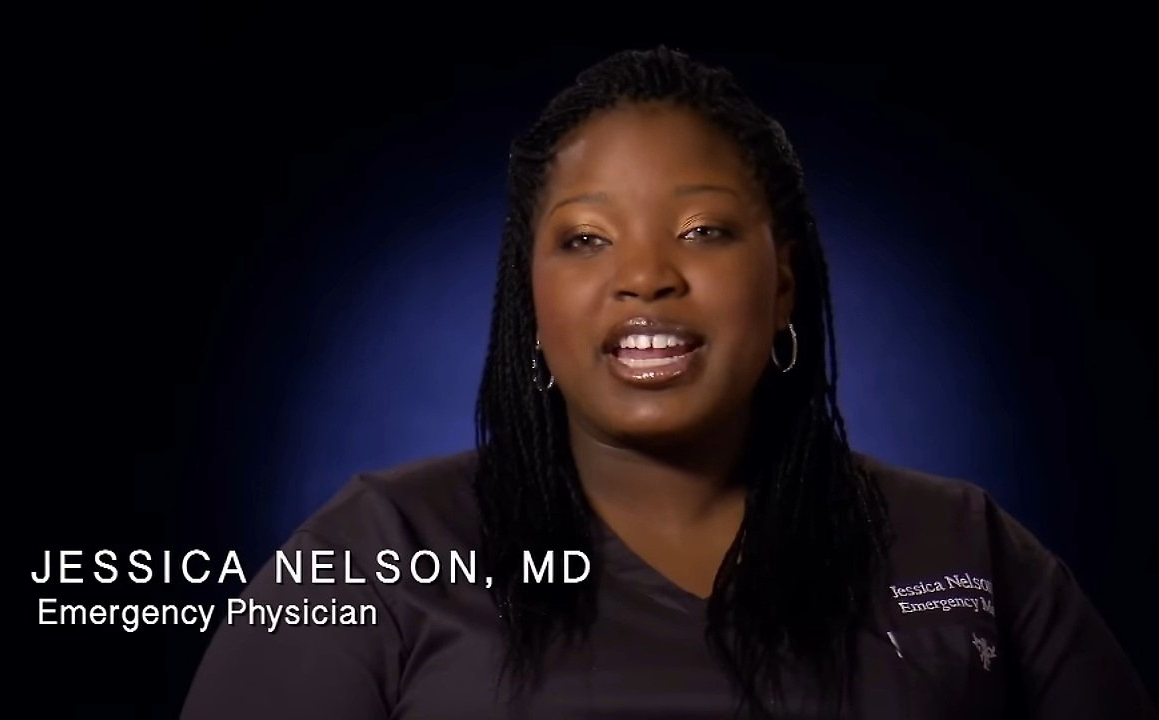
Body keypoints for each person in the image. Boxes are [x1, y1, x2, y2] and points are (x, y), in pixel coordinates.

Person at [180, 47, 1155, 719]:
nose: (645, 276)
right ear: (531, 300)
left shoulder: (966, 551)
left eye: (702, 231)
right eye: (586, 239)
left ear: (782, 284)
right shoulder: (378, 551)